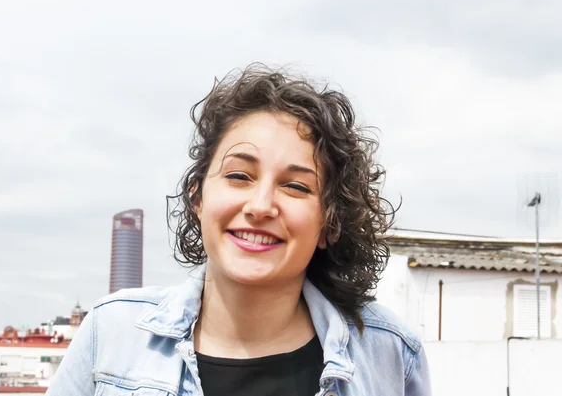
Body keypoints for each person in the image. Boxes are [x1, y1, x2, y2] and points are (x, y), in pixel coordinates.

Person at [46, 64, 431, 396]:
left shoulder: (390, 353)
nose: (261, 206)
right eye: (239, 175)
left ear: (329, 224)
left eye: (296, 186)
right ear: (197, 197)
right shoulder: (110, 334)